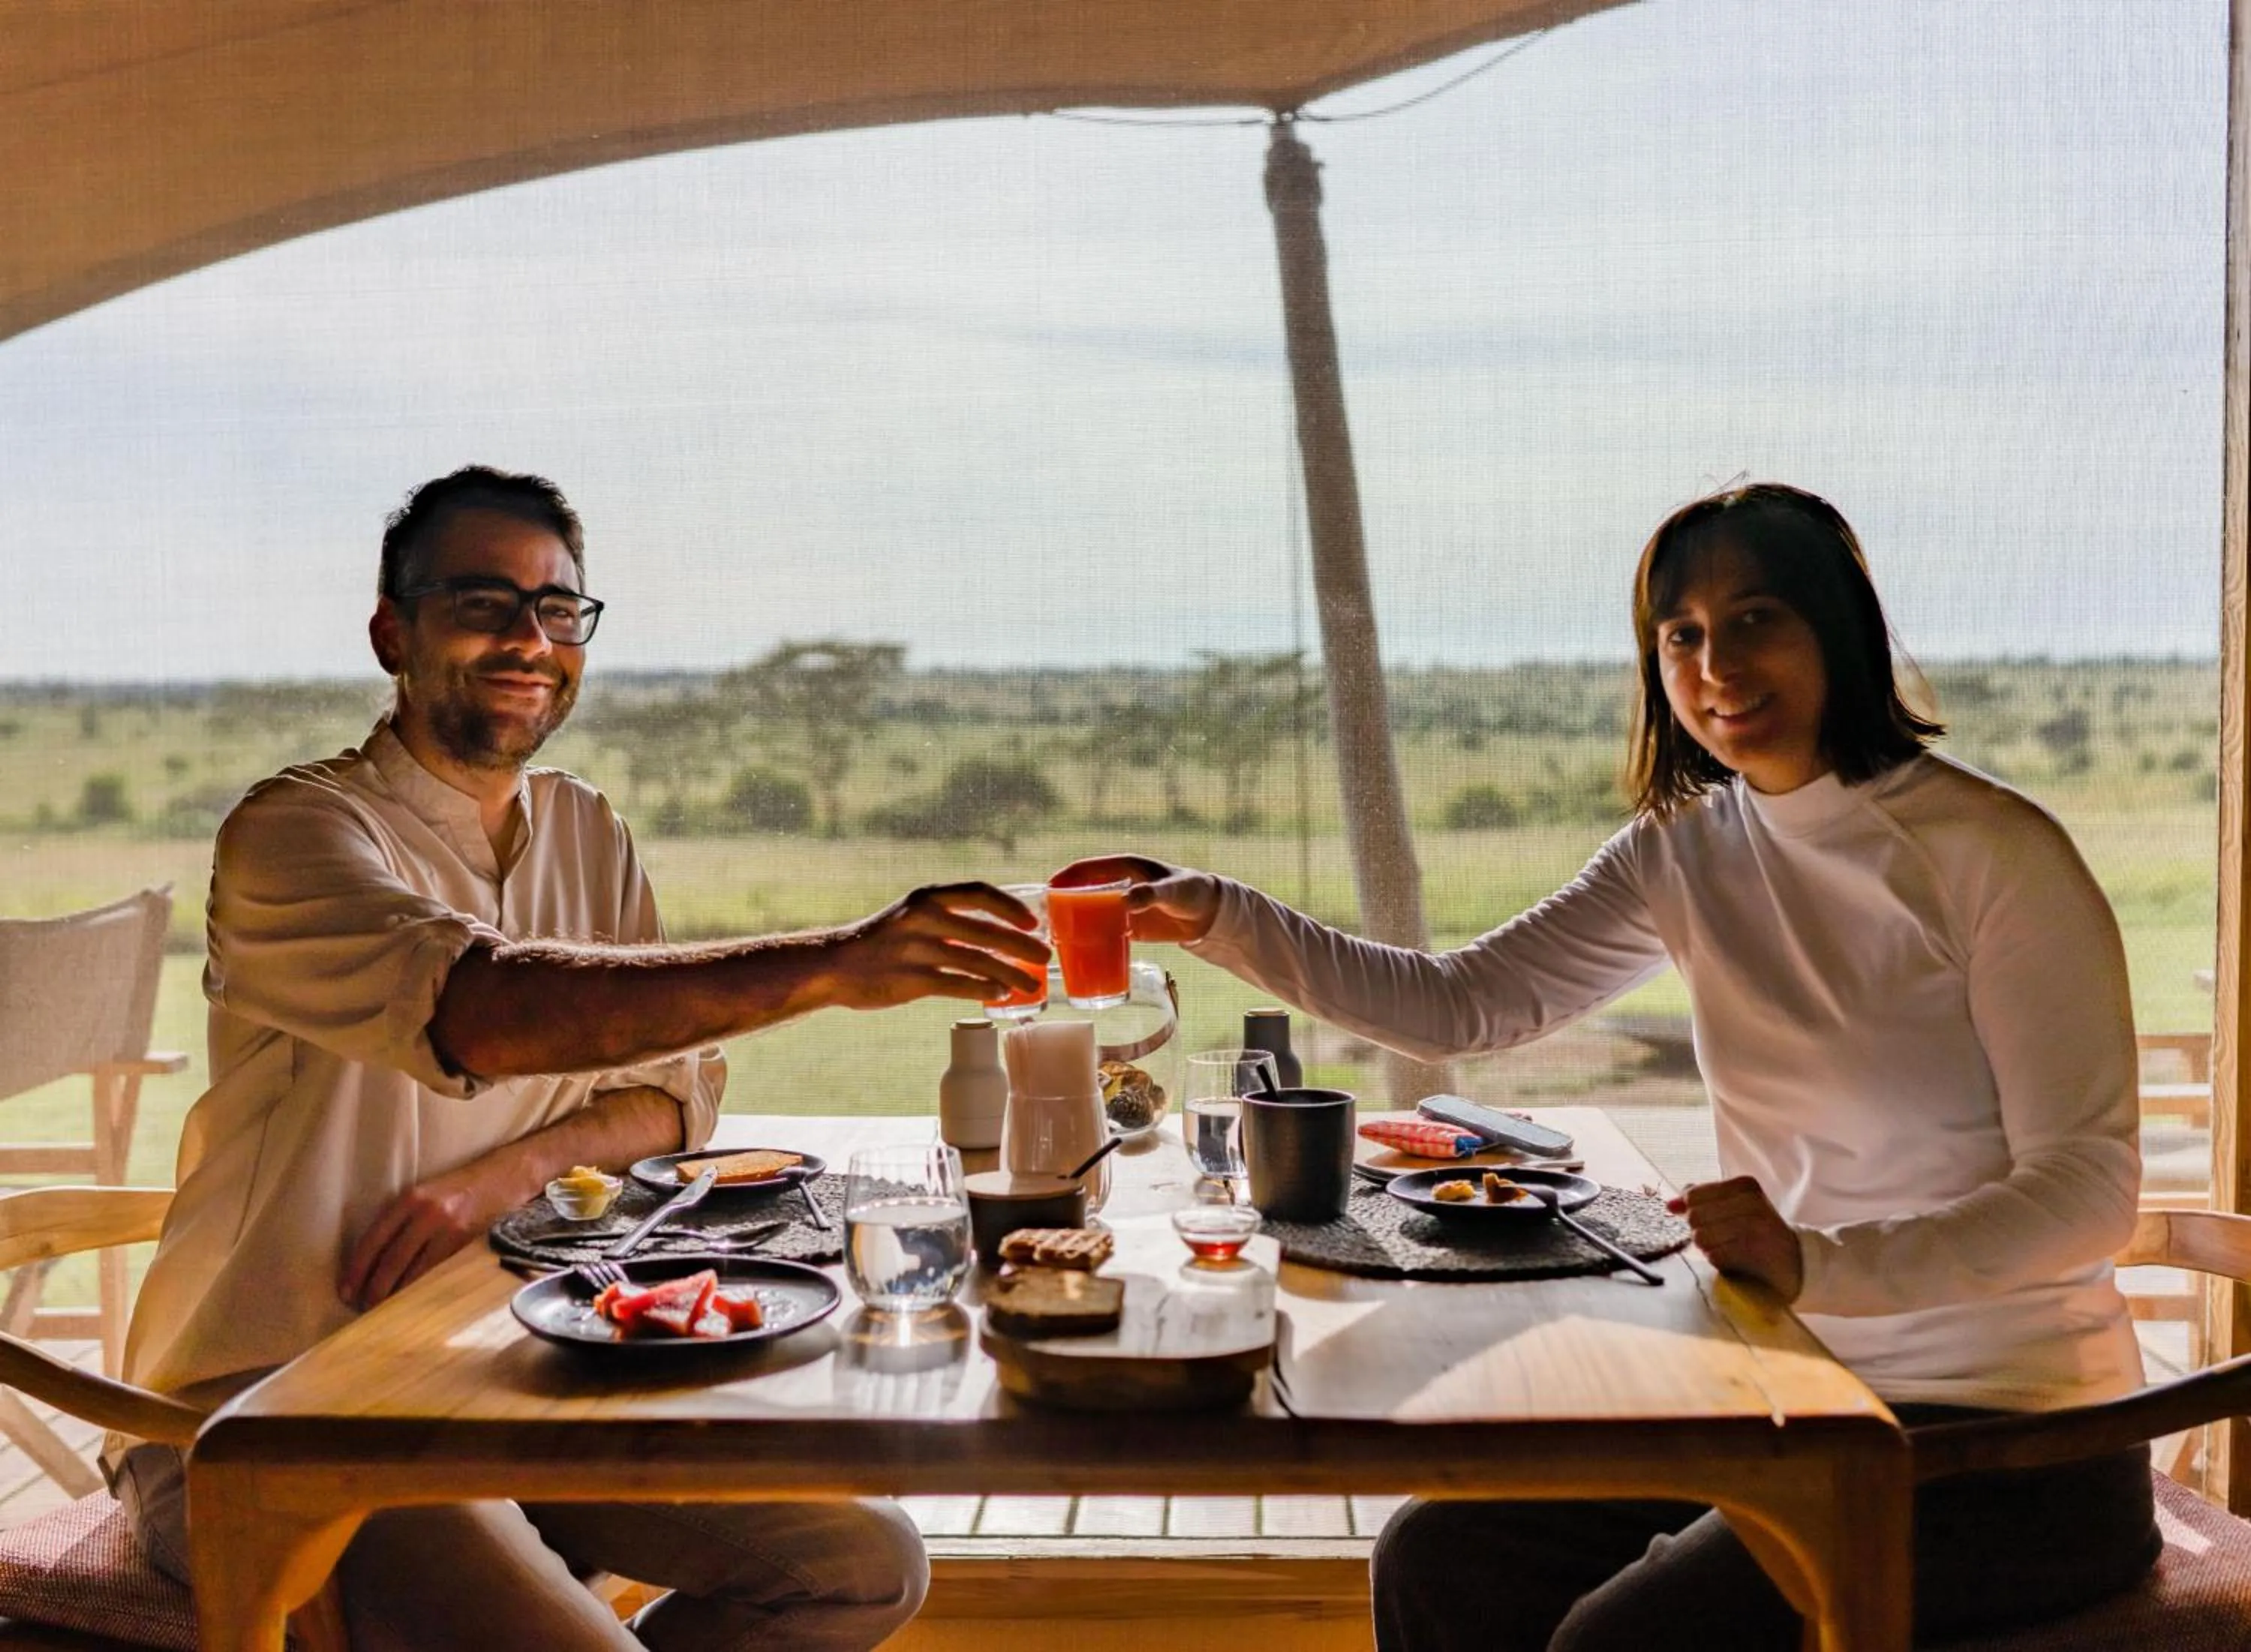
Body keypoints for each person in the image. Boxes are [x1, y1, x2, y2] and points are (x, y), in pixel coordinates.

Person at [1062, 483, 2162, 1650]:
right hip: (1794, 1399)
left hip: (2014, 1444)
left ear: (1840, 627)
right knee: (1439, 1558)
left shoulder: (1993, 853)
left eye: (1754, 618)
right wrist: (1221, 915)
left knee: (1619, 1641)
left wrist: (1816, 1263)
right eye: (1679, 634)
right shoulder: (1685, 849)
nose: (1714, 663)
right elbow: (1464, 1002)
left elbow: (2090, 1192)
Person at [107, 465, 1047, 1652]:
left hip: (502, 1372)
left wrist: (505, 1172)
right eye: (484, 602)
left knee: (862, 1566)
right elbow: (485, 1011)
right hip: (279, 1411)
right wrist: (831, 965)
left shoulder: (583, 828)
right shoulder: (300, 829)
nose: (529, 638)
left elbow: (676, 1089)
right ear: (392, 628)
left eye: (559, 610)